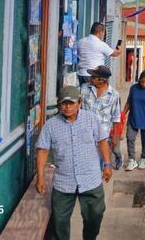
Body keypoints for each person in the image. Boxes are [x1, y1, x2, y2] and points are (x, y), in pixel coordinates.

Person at [36, 86, 112, 240]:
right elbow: (42, 151)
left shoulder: (91, 119)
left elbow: (103, 141)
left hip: (90, 179)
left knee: (95, 216)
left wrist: (107, 165)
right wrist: (40, 177)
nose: (67, 107)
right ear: (59, 105)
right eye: (64, 103)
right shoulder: (50, 125)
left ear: (80, 103)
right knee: (59, 222)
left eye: (71, 103)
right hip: (64, 182)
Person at [79, 65, 122, 170]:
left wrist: (115, 137)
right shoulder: (84, 88)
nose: (90, 79)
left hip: (102, 139)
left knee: (97, 167)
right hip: (83, 135)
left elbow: (116, 118)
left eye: (93, 77)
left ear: (102, 80)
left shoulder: (114, 95)